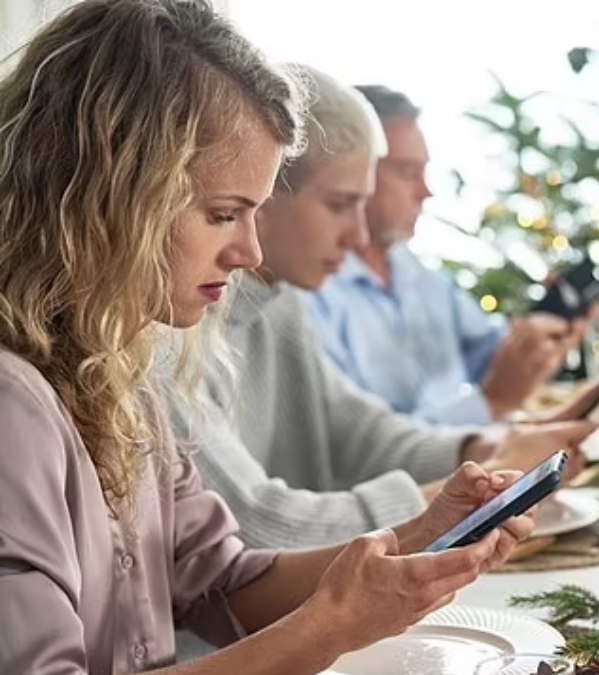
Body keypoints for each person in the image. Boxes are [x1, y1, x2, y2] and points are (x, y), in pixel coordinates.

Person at [0, 2, 531, 673]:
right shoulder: (13, 401)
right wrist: (329, 628)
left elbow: (226, 580)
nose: (249, 252)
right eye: (224, 214)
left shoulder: (121, 378)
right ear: (110, 193)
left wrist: (419, 535)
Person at [169, 65, 597, 551]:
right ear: (265, 194)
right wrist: (449, 503)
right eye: (338, 204)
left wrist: (484, 453)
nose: (360, 236)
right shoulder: (173, 326)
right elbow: (253, 526)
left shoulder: (277, 302)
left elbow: (361, 434)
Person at [305, 85, 585, 425]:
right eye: (408, 172)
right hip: (436, 472)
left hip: (482, 456)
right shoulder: (310, 294)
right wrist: (492, 401)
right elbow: (360, 448)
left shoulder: (421, 276)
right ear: (357, 171)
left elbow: (488, 354)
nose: (426, 191)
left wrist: (539, 339)